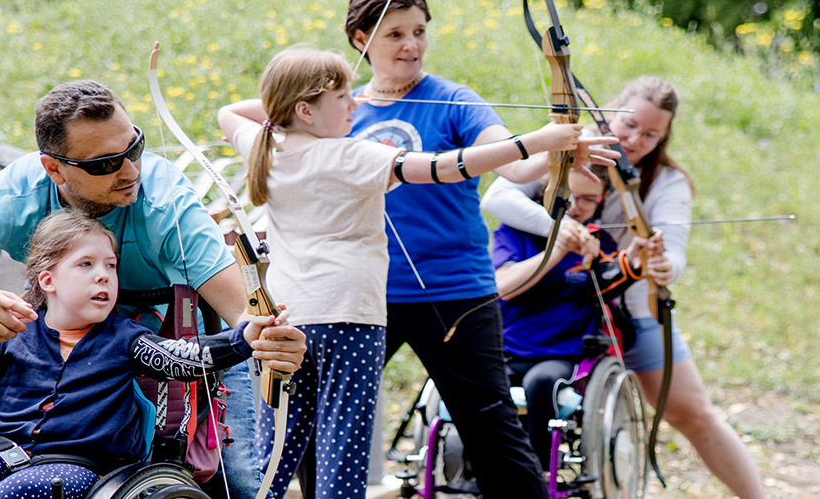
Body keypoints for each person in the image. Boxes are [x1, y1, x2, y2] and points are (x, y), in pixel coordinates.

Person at [216, 47, 608, 498]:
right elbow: (449, 166)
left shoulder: (264, 145)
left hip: (285, 319)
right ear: (305, 109)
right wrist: (537, 140)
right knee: (341, 456)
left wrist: (289, 110)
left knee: (275, 456)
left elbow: (232, 111)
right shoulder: (353, 155)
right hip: (349, 321)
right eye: (343, 96)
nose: (356, 103)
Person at [0, 80, 267, 497]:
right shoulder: (13, 198)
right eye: (105, 164)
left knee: (240, 480)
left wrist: (260, 337)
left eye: (134, 148)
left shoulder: (165, 201)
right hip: (46, 334)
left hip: (169, 333)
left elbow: (245, 319)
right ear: (54, 169)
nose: (131, 171)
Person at [339, 0, 614, 495]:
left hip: (453, 292)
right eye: (395, 34)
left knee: (490, 431)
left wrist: (556, 147)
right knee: (328, 418)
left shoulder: (453, 99)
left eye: (419, 31)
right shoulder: (344, 109)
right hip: (362, 294)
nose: (412, 45)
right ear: (361, 40)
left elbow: (515, 165)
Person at [481, 76, 769, 498]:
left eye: (652, 134)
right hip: (545, 314)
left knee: (694, 414)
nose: (635, 140)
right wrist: (564, 229)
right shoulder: (572, 149)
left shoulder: (666, 182)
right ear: (611, 111)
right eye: (629, 125)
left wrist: (661, 264)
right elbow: (498, 198)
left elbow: (673, 249)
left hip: (629, 314)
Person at [0, 210, 306, 499]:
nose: (103, 275)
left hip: (80, 465)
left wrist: (243, 338)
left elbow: (181, 357)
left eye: (111, 266)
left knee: (16, 495)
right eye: (85, 264)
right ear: (47, 279)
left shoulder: (124, 338)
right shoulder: (12, 328)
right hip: (2, 451)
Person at [492, 165, 663, 473]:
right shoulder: (513, 231)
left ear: (602, 200)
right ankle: (484, 468)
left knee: (541, 382)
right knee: (484, 390)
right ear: (546, 191)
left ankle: (537, 473)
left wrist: (635, 260)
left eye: (587, 199)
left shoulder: (598, 241)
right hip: (507, 349)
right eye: (566, 196)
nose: (574, 207)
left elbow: (606, 280)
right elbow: (503, 286)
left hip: (557, 354)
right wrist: (557, 249)